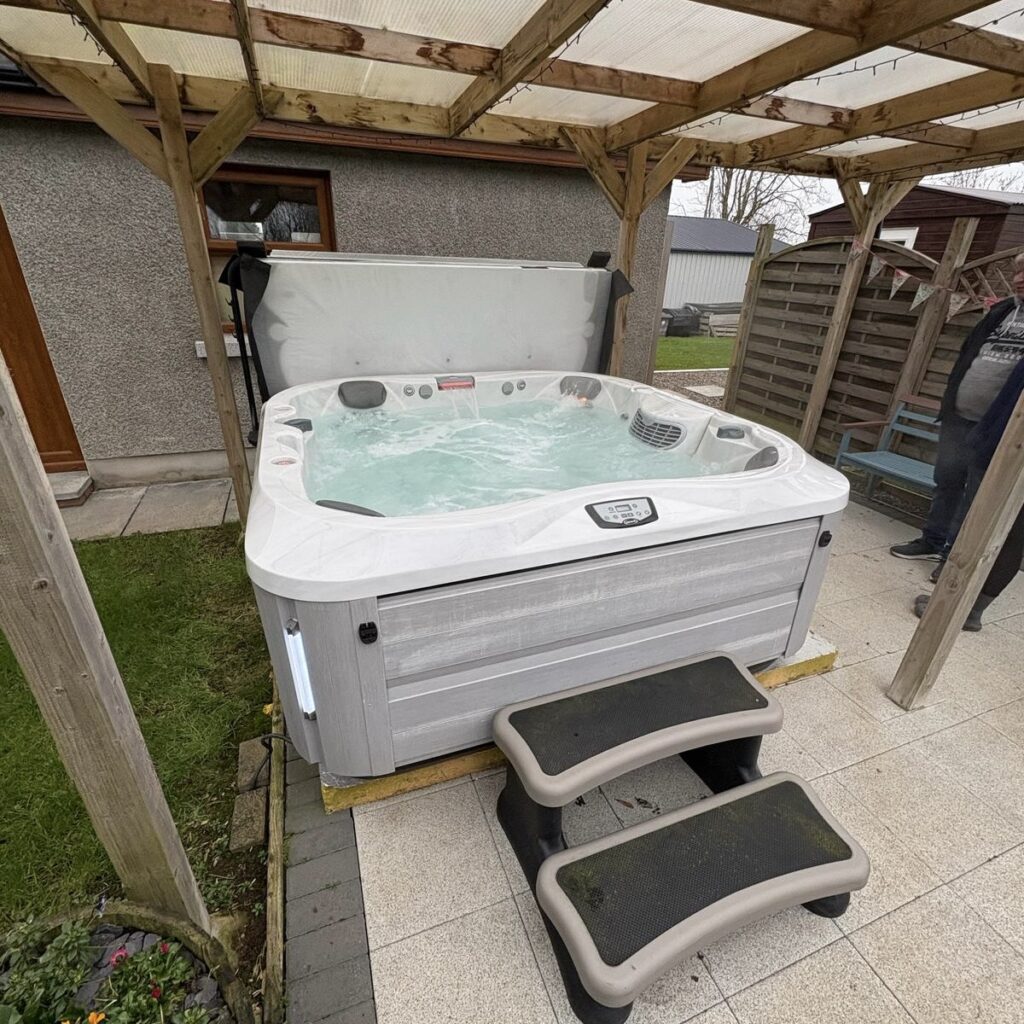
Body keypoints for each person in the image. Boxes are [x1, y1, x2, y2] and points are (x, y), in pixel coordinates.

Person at [890, 263, 1024, 567]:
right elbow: (967, 355)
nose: (1019, 279)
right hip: (959, 417)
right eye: (1017, 272)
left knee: (977, 496)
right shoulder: (1001, 311)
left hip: (996, 430)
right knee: (947, 481)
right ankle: (932, 540)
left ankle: (953, 559)